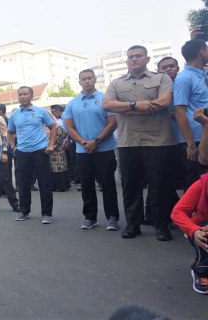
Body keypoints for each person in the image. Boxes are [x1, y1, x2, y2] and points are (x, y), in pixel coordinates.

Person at [103, 45, 177, 241]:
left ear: (147, 58)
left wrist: (125, 109)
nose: (134, 59)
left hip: (159, 140)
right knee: (130, 184)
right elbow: (107, 105)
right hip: (129, 141)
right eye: (131, 57)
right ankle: (133, 225)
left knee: (160, 185)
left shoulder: (161, 78)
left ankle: (161, 225)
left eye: (138, 56)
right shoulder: (116, 83)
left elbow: (163, 103)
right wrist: (138, 105)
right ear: (126, 61)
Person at [64, 69, 119, 230]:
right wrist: (83, 142)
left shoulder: (105, 99)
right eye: (83, 79)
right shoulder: (73, 103)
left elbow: (112, 122)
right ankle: (90, 217)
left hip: (105, 149)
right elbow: (69, 126)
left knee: (108, 184)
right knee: (87, 185)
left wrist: (96, 141)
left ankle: (112, 217)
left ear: (95, 80)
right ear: (79, 82)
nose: (87, 81)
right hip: (83, 152)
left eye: (89, 78)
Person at [7, 86, 56, 224]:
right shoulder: (15, 115)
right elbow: (10, 132)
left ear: (31, 96)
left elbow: (53, 127)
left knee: (44, 183)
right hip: (22, 153)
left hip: (40, 151)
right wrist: (12, 146)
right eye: (20, 94)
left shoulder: (40, 112)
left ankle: (46, 213)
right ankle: (23, 210)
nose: (22, 96)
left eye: (25, 94)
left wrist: (51, 144)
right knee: (22, 183)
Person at [174, 40, 208, 191]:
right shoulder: (184, 78)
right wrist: (190, 144)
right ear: (202, 52)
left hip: (206, 134)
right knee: (196, 185)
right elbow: (179, 112)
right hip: (196, 140)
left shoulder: (203, 74)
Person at [170, 171, 208, 294]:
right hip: (202, 228)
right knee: (203, 232)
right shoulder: (201, 185)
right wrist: (193, 230)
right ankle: (202, 270)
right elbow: (177, 212)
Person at [49, 105, 69, 192]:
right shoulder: (47, 128)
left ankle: (62, 186)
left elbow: (59, 138)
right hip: (52, 150)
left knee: (59, 168)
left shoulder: (57, 127)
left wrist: (51, 145)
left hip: (57, 150)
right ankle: (56, 186)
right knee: (54, 169)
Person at [0, 103, 13, 196]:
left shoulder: (8, 121)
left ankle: (9, 192)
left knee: (7, 171)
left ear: (1, 111)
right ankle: (0, 191)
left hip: (7, 149)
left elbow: (11, 134)